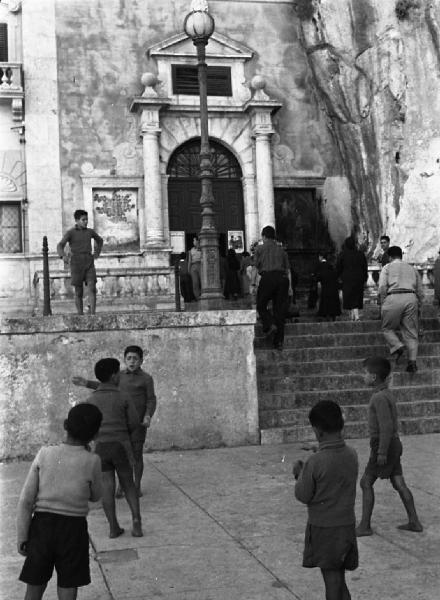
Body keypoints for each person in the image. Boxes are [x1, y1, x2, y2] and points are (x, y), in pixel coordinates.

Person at [17, 403, 103, 600]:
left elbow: (25, 501)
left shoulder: (44, 454)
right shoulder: (92, 461)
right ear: (95, 434)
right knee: (68, 586)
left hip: (41, 528)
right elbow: (96, 496)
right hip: (73, 530)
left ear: (66, 425)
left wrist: (22, 536)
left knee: (34, 586)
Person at [293, 400, 358, 600]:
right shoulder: (351, 454)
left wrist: (300, 475)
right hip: (346, 525)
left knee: (331, 581)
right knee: (339, 579)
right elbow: (334, 469)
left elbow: (303, 495)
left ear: (317, 431)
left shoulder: (315, 462)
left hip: (325, 528)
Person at [73, 347, 156, 498]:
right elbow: (104, 386)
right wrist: (86, 383)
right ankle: (122, 486)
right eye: (129, 358)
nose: (132, 361)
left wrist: (148, 415)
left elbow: (151, 399)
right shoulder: (119, 376)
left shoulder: (146, 378)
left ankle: (136, 486)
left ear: (141, 361)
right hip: (122, 423)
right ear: (125, 360)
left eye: (135, 358)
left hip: (138, 423)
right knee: (121, 454)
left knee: (136, 455)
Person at [356, 356, 423, 536]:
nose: (363, 376)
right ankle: (414, 521)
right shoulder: (386, 394)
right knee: (398, 481)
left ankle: (364, 526)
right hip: (393, 443)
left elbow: (385, 426)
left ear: (374, 377)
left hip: (384, 445)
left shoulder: (378, 397)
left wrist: (382, 452)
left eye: (365, 373)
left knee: (365, 482)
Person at [85, 358, 143, 538]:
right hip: (122, 446)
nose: (120, 375)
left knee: (107, 487)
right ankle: (136, 521)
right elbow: (134, 422)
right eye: (118, 372)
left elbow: (89, 426)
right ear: (113, 376)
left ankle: (113, 527)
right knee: (128, 484)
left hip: (101, 447)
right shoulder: (123, 396)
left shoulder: (91, 399)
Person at [378, 245, 423, 373]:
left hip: (393, 297)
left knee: (387, 328)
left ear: (390, 257)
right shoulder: (412, 268)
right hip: (411, 297)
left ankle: (398, 346)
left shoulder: (387, 267)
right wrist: (419, 304)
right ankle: (412, 363)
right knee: (411, 332)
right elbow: (420, 290)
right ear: (401, 256)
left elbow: (382, 287)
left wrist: (383, 302)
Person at [57, 209, 103, 315]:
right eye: (83, 220)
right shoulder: (70, 233)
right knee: (79, 291)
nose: (86, 222)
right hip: (76, 264)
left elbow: (100, 240)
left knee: (92, 287)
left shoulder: (90, 232)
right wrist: (62, 256)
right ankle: (80, 315)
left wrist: (97, 253)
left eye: (87, 219)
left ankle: (93, 314)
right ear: (77, 220)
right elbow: (60, 245)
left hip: (89, 262)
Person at [254, 225, 291, 351]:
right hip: (282, 279)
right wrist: (290, 287)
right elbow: (288, 270)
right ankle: (278, 342)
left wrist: (254, 283)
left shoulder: (259, 248)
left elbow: (255, 267)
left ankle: (269, 324)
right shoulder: (282, 250)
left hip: (268, 278)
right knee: (280, 311)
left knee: (260, 304)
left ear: (264, 236)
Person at [336, 236, 368, 321]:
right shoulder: (360, 254)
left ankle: (354, 316)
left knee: (349, 297)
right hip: (359, 279)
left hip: (347, 279)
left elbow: (338, 267)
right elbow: (364, 267)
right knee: (356, 297)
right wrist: (365, 278)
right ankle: (355, 316)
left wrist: (337, 277)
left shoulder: (342, 254)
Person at [316, 251, 341, 321]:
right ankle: (333, 315)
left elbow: (317, 277)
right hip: (333, 287)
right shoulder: (331, 268)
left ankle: (326, 314)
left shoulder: (320, 266)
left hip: (325, 287)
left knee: (325, 301)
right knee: (333, 302)